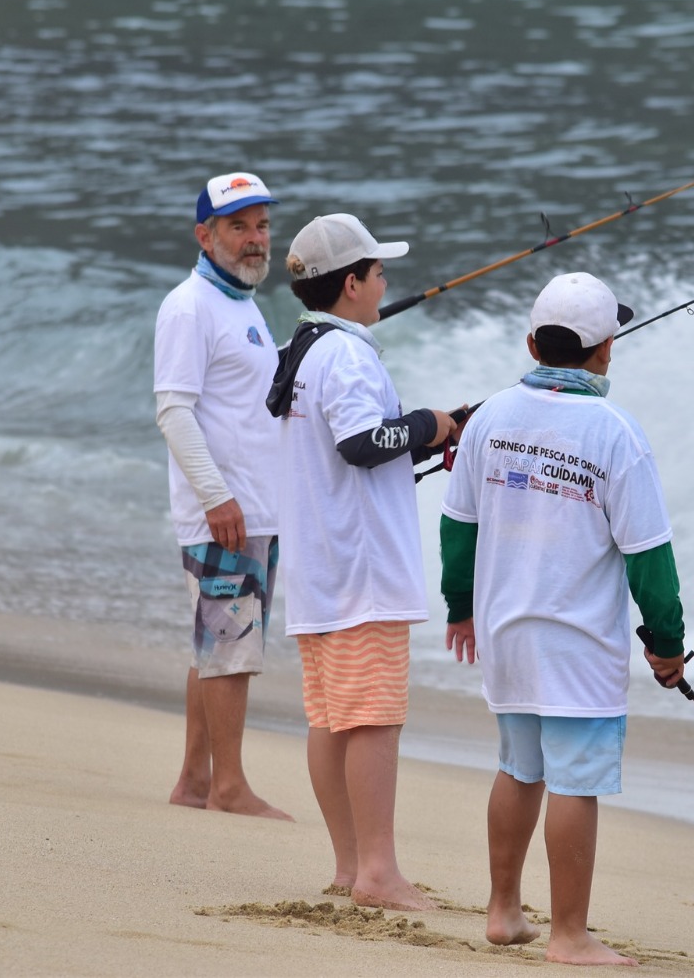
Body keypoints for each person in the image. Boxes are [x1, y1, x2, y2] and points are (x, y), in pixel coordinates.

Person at [439, 271, 688, 966]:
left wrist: (460, 607)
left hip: (505, 629)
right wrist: (666, 645)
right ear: (605, 350)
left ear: (532, 342)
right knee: (575, 779)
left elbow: (458, 527)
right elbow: (650, 558)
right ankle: (569, 935)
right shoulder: (615, 432)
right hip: (577, 640)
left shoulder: (488, 416)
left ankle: (502, 910)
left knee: (519, 767)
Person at [265, 212, 461, 911]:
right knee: (372, 718)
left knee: (332, 718)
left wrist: (424, 438)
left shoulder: (303, 350)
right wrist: (430, 424)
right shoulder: (347, 356)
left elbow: (347, 451)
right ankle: (378, 871)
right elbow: (358, 441)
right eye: (378, 271)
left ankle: (352, 867)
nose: (385, 281)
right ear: (352, 283)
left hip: (321, 568)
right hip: (361, 571)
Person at [154, 171, 290, 821]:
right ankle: (230, 786)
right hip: (225, 514)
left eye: (261, 225)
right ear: (205, 234)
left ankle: (194, 780)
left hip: (253, 508)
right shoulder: (190, 305)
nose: (254, 238)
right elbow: (174, 412)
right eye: (239, 226)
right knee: (232, 650)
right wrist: (217, 498)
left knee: (215, 645)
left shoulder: (242, 302)